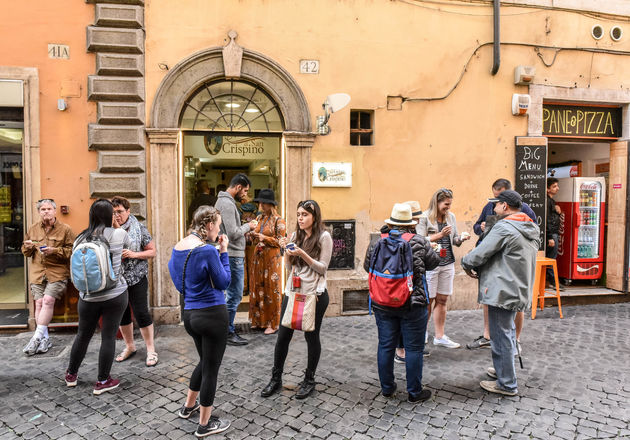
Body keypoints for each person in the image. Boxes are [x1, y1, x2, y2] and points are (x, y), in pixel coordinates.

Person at [461, 190, 539, 396]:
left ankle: (506, 383)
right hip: (517, 287)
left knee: (500, 335)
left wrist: (465, 262)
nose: (493, 208)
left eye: (496, 204)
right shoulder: (528, 226)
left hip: (502, 289)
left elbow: (480, 253)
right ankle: (504, 370)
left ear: (505, 206)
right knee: (508, 332)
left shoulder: (504, 227)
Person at [364, 203, 440, 403]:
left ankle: (387, 388)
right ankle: (415, 392)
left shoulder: (377, 242)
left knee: (386, 345)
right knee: (414, 348)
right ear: (411, 224)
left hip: (383, 302)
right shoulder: (419, 241)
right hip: (413, 302)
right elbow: (433, 264)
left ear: (390, 222)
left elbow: (366, 267)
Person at [168, 206, 232, 437]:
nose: (219, 229)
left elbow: (176, 279)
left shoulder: (178, 246)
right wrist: (223, 252)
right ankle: (205, 424)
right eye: (218, 224)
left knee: (205, 361)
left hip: (190, 315)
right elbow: (224, 282)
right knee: (211, 369)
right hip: (212, 314)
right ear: (208, 226)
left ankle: (188, 407)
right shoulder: (207, 251)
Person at [260, 200, 332, 400]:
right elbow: (290, 269)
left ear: (314, 216)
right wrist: (287, 252)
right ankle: (276, 379)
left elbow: (323, 268)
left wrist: (302, 253)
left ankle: (309, 380)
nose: (300, 218)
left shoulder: (324, 237)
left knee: (311, 336)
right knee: (283, 336)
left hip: (315, 295)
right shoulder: (294, 236)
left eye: (305, 215)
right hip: (293, 292)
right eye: (299, 214)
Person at [65, 199, 130, 395]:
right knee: (108, 336)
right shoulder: (119, 234)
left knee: (82, 335)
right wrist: (116, 225)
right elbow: (130, 244)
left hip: (87, 296)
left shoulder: (80, 238)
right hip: (115, 294)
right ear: (110, 215)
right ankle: (103, 380)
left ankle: (71, 375)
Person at [467, 178, 536, 350]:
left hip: (510, 267)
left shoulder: (524, 212)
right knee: (489, 298)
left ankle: (515, 341)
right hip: (492, 264)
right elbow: (477, 227)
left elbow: (528, 237)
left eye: (497, 200)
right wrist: (480, 228)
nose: (493, 204)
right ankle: (488, 336)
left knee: (514, 306)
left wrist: (467, 262)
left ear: (505, 203)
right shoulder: (490, 207)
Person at [417, 188, 471, 349]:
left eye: (450, 204)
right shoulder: (424, 217)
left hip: (447, 263)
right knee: (428, 300)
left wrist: (460, 238)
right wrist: (439, 235)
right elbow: (420, 240)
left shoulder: (451, 217)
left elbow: (454, 240)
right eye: (446, 204)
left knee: (442, 300)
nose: (448, 207)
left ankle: (439, 336)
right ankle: (422, 333)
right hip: (431, 265)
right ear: (437, 202)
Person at [21, 199, 75, 356]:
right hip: (37, 273)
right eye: (43, 209)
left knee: (47, 300)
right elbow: (25, 252)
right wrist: (28, 247)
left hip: (57, 272)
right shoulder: (32, 229)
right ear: (39, 212)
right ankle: (45, 339)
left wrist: (55, 251)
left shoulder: (65, 229)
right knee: (38, 303)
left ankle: (36, 337)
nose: (46, 211)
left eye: (49, 209)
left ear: (54, 210)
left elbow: (72, 251)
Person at [110, 196, 158, 367]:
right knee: (121, 313)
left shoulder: (139, 228)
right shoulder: (108, 229)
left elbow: (152, 252)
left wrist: (134, 254)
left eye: (120, 212)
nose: (117, 215)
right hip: (116, 279)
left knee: (141, 312)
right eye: (114, 212)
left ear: (128, 211)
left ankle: (151, 349)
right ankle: (130, 346)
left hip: (137, 277)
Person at [214, 173, 257, 346]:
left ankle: (226, 327)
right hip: (233, 255)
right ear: (238, 187)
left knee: (230, 294)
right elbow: (233, 233)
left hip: (231, 253)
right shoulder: (226, 203)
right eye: (245, 191)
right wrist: (249, 226)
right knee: (234, 295)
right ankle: (228, 331)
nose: (245, 195)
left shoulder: (225, 202)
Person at [248, 189, 286, 335]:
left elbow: (281, 242)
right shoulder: (259, 219)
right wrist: (253, 235)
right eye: (260, 203)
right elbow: (254, 238)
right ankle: (260, 321)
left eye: (264, 203)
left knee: (272, 289)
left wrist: (265, 238)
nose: (261, 205)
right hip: (258, 259)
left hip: (272, 259)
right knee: (258, 288)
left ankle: (274, 323)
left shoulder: (279, 220)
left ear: (271, 204)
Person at [546, 178, 562, 288]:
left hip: (553, 232)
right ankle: (553, 281)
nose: (557, 188)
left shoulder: (552, 201)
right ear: (547, 189)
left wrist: (558, 212)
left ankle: (551, 280)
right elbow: (547, 220)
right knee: (551, 258)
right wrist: (550, 236)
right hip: (552, 233)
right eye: (554, 186)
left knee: (551, 257)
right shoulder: (547, 201)